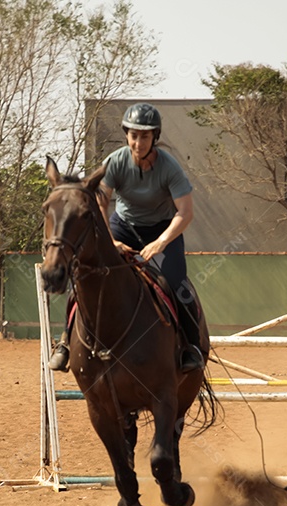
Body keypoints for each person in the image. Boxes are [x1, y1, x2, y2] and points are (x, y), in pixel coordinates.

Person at [49, 102, 205, 374]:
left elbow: (186, 212)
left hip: (163, 229)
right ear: (127, 136)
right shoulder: (116, 162)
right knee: (83, 276)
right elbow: (100, 206)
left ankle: (190, 347)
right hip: (122, 227)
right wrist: (110, 240)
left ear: (154, 137)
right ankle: (65, 342)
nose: (138, 142)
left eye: (145, 136)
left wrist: (161, 242)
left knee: (177, 283)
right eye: (134, 135)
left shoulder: (170, 168)